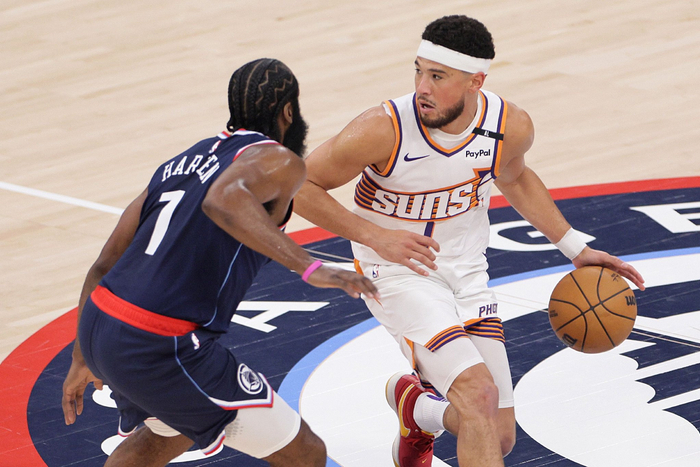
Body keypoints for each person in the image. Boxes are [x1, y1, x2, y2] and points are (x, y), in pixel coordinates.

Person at [293, 15, 645, 467]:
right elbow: (299, 185)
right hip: (396, 272)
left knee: (498, 437)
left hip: (467, 271)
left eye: (438, 76)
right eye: (419, 71)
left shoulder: (510, 126)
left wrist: (576, 248)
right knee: (478, 395)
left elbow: (515, 177)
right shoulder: (384, 128)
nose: (422, 87)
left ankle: (417, 409)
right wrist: (375, 236)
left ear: (476, 81)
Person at [61, 57, 379, 467]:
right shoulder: (281, 160)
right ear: (288, 111)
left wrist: (81, 354)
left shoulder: (180, 162)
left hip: (100, 324)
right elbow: (223, 199)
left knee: (167, 435)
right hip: (159, 341)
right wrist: (310, 267)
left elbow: (104, 265)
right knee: (306, 453)